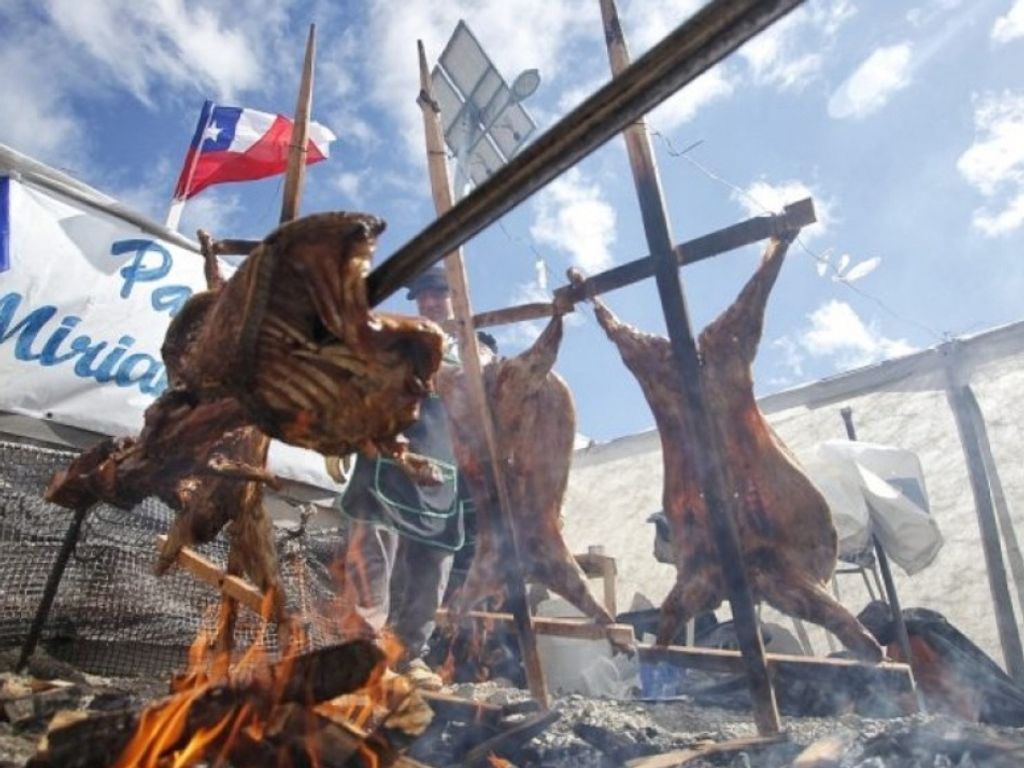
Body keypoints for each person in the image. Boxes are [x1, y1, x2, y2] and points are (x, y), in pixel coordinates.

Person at [336, 266, 466, 689]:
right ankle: (367, 652)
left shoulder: (473, 351)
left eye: (438, 295)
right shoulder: (395, 338)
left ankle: (411, 655)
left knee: (433, 562)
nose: (429, 303)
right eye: (423, 296)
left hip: (441, 467)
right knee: (373, 549)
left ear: (456, 297)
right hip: (387, 458)